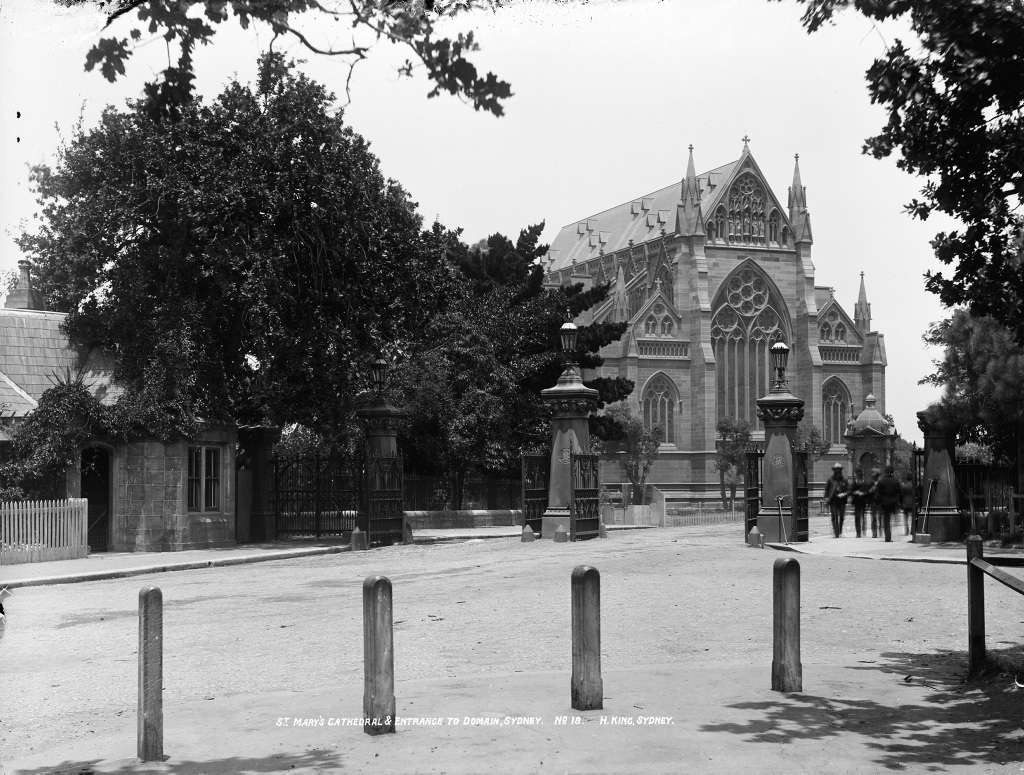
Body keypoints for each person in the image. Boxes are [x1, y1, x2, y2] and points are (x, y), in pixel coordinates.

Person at [875, 466, 902, 542]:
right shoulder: (896, 480)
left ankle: (887, 536)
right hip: (893, 502)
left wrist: (878, 501)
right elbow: (899, 491)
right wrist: (899, 501)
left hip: (884, 502)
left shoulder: (881, 480)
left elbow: (878, 493)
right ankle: (895, 533)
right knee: (892, 517)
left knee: (886, 519)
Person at [824, 463, 849, 538]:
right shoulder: (830, 480)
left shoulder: (844, 480)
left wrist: (844, 494)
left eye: (839, 470)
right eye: (836, 470)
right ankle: (836, 533)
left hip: (842, 501)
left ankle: (840, 530)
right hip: (833, 500)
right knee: (834, 516)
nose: (838, 472)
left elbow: (848, 490)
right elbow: (826, 490)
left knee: (841, 516)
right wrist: (826, 498)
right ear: (834, 471)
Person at [850, 468, 869, 538]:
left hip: (863, 502)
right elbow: (850, 491)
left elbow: (868, 492)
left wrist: (863, 493)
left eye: (856, 475)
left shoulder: (865, 483)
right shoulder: (854, 483)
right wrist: (855, 492)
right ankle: (858, 533)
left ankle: (864, 528)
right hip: (856, 502)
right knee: (857, 517)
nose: (855, 476)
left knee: (863, 516)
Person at [900, 472, 915, 537]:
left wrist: (901, 503)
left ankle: (907, 530)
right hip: (912, 503)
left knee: (905, 518)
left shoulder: (903, 486)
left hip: (905, 503)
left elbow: (901, 495)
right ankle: (912, 530)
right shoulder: (914, 486)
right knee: (912, 518)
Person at [868, 469, 882, 538]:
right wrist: (872, 489)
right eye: (874, 476)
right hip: (873, 502)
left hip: (880, 502)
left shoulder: (881, 483)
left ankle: (880, 531)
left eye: (876, 476)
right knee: (873, 518)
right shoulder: (870, 483)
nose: (875, 477)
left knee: (880, 517)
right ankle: (874, 533)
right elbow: (868, 492)